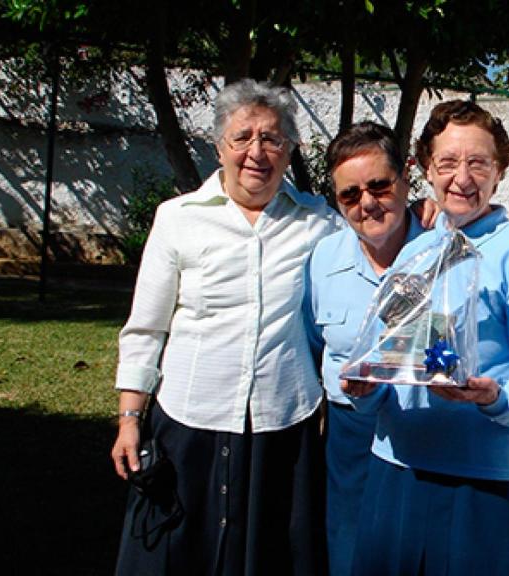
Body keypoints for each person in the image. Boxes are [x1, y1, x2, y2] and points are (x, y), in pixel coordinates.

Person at [109, 78, 338, 575]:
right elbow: (145, 329)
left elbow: (375, 243)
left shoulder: (319, 222)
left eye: (273, 138)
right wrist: (130, 417)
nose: (257, 151)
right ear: (219, 147)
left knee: (270, 556)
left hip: (283, 423)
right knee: (176, 553)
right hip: (190, 421)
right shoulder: (178, 219)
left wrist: (418, 215)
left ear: (290, 148)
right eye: (243, 137)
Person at [345, 100, 509, 576]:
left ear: (501, 170)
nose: (461, 178)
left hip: (479, 486)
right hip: (395, 469)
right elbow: (395, 356)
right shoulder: (417, 251)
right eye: (447, 163)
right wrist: (365, 390)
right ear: (427, 169)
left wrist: (494, 397)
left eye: (478, 163)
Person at [306, 121, 430, 576]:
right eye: (350, 195)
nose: (367, 203)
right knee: (350, 557)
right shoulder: (323, 260)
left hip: (425, 431)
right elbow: (310, 341)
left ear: (406, 180)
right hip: (350, 436)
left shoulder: (445, 251)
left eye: (379, 186)